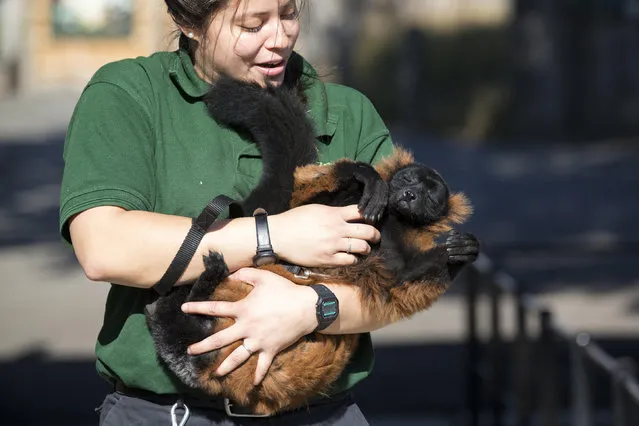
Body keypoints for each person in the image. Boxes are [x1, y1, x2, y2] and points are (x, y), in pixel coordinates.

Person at [59, 0, 395, 424]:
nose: (279, 38)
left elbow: (402, 280)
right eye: (251, 25)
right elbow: (103, 246)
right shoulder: (128, 94)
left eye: (289, 15)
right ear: (188, 23)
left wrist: (312, 308)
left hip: (320, 413)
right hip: (166, 414)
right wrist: (272, 236)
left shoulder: (348, 111)